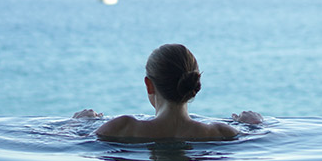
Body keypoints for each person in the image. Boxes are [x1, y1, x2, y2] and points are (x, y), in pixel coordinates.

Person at [75, 43, 262, 141]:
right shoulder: (221, 132)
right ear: (194, 86)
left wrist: (78, 123)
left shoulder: (123, 128)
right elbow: (257, 140)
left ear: (149, 85)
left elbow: (71, 141)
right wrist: (254, 124)